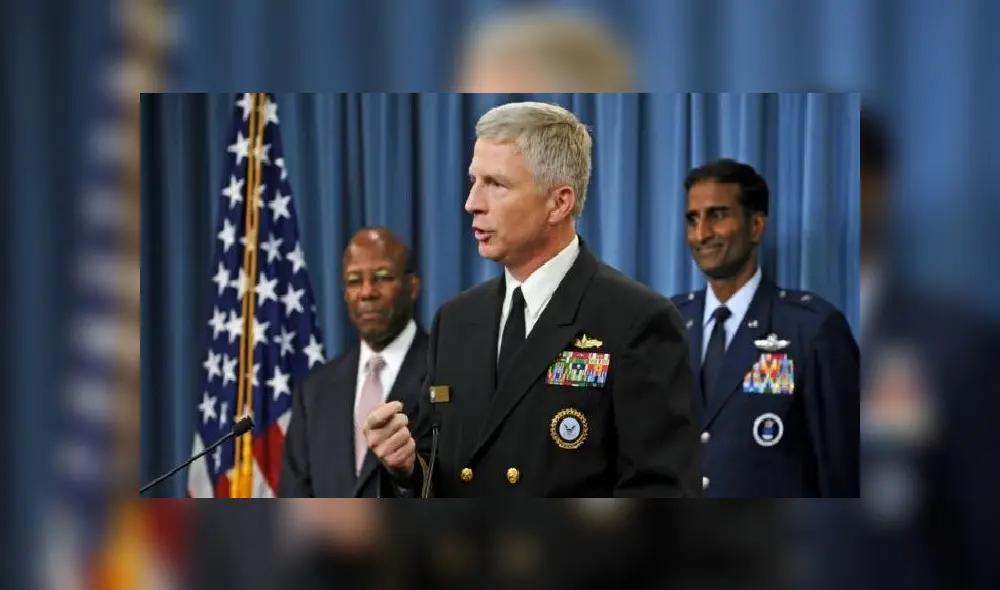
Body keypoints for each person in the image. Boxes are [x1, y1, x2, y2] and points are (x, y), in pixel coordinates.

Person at [364, 101, 701, 498]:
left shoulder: (637, 320)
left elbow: (660, 490)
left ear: (559, 202)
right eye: (474, 180)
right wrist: (404, 466)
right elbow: (438, 469)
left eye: (496, 184)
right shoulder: (455, 321)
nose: (472, 202)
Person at [670, 158, 860, 498]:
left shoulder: (812, 328)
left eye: (718, 215)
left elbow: (839, 473)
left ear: (756, 225)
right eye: (692, 219)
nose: (701, 234)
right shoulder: (665, 323)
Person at [278, 227, 427, 497]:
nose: (367, 292)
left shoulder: (444, 368)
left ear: (413, 286)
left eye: (381, 277)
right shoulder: (314, 391)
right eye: (355, 281)